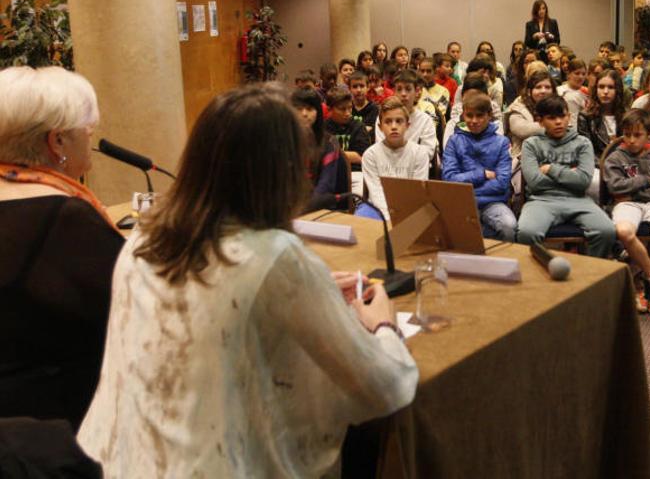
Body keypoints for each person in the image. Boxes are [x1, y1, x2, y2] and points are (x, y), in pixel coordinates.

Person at [77, 83, 418, 477]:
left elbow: (215, 312)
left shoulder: (144, 235)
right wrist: (383, 326)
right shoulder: (275, 256)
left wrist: (316, 289)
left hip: (117, 459)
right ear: (284, 171)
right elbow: (383, 387)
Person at [0, 66, 124, 431]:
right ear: (57, 143)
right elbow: (130, 303)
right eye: (88, 132)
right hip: (54, 426)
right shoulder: (64, 219)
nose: (92, 141)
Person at [516, 96, 616, 257]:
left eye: (562, 116)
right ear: (540, 121)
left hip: (578, 199)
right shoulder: (531, 144)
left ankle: (592, 274)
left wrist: (551, 169)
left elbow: (583, 181)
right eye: (552, 118)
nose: (558, 122)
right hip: (542, 201)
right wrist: (571, 175)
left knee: (606, 231)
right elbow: (534, 182)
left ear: (569, 117)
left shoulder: (582, 143)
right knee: (527, 233)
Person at [604, 109, 650, 315]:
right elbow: (615, 187)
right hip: (627, 205)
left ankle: (640, 275)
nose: (631, 140)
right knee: (624, 232)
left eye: (637, 135)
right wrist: (646, 181)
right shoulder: (616, 157)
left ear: (649, 134)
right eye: (627, 134)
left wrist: (634, 191)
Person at [442, 93, 516, 241]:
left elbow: (502, 183)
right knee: (451, 228)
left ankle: (501, 263)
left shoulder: (501, 143)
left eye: (480, 116)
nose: (474, 121)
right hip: (463, 202)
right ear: (463, 115)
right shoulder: (454, 141)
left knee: (509, 226)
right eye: (469, 116)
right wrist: (482, 174)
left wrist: (466, 185)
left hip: (493, 202)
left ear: (489, 116)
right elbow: (449, 178)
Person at [360, 97, 431, 221]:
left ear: (408, 125)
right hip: (378, 208)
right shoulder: (370, 155)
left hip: (410, 207)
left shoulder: (420, 154)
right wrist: (390, 219)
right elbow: (376, 192)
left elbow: (417, 193)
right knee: (361, 216)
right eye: (388, 121)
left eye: (399, 121)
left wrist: (400, 216)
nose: (394, 126)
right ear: (380, 126)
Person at [291, 88, 348, 211]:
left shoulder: (329, 143)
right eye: (299, 109)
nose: (304, 113)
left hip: (319, 210)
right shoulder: (283, 142)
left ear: (318, 113)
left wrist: (299, 210)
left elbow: (325, 188)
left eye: (310, 109)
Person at [374, 69, 438, 164]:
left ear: (416, 92)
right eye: (399, 89)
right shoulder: (383, 118)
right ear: (394, 92)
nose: (403, 94)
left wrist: (405, 160)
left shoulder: (425, 120)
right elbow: (380, 148)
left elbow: (428, 152)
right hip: (388, 166)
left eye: (408, 89)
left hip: (415, 168)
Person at [323, 87, 370, 196]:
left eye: (350, 108)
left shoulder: (358, 126)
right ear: (330, 109)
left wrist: (331, 154)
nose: (348, 113)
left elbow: (361, 157)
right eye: (342, 109)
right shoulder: (323, 127)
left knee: (358, 198)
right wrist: (348, 155)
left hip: (354, 174)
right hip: (329, 174)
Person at [506, 70, 555, 160]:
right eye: (538, 87)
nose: (543, 91)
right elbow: (523, 130)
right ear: (529, 91)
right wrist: (552, 126)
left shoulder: (559, 106)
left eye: (547, 87)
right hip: (523, 160)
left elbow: (569, 128)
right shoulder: (518, 108)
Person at [444, 72, 504, 146]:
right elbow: (448, 150)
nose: (473, 100)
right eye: (469, 96)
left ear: (487, 97)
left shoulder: (496, 124)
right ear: (462, 98)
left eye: (477, 96)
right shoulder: (452, 124)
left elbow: (497, 149)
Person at [578, 69, 626, 153]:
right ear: (596, 89)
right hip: (596, 164)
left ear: (618, 90)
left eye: (611, 87)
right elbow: (586, 152)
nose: (605, 92)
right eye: (601, 87)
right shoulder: (585, 117)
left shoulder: (626, 116)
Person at [557, 57, 589, 127]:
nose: (581, 77)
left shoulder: (587, 93)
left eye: (583, 74)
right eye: (577, 73)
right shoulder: (558, 91)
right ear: (568, 74)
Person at [417, 57, 451, 123]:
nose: (425, 74)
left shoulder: (443, 91)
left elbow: (438, 114)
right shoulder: (415, 90)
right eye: (422, 71)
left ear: (435, 72)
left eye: (428, 71)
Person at [350, 71, 379, 143]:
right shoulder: (347, 108)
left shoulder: (374, 109)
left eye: (362, 86)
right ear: (349, 89)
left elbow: (373, 133)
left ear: (368, 87)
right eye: (355, 86)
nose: (358, 90)